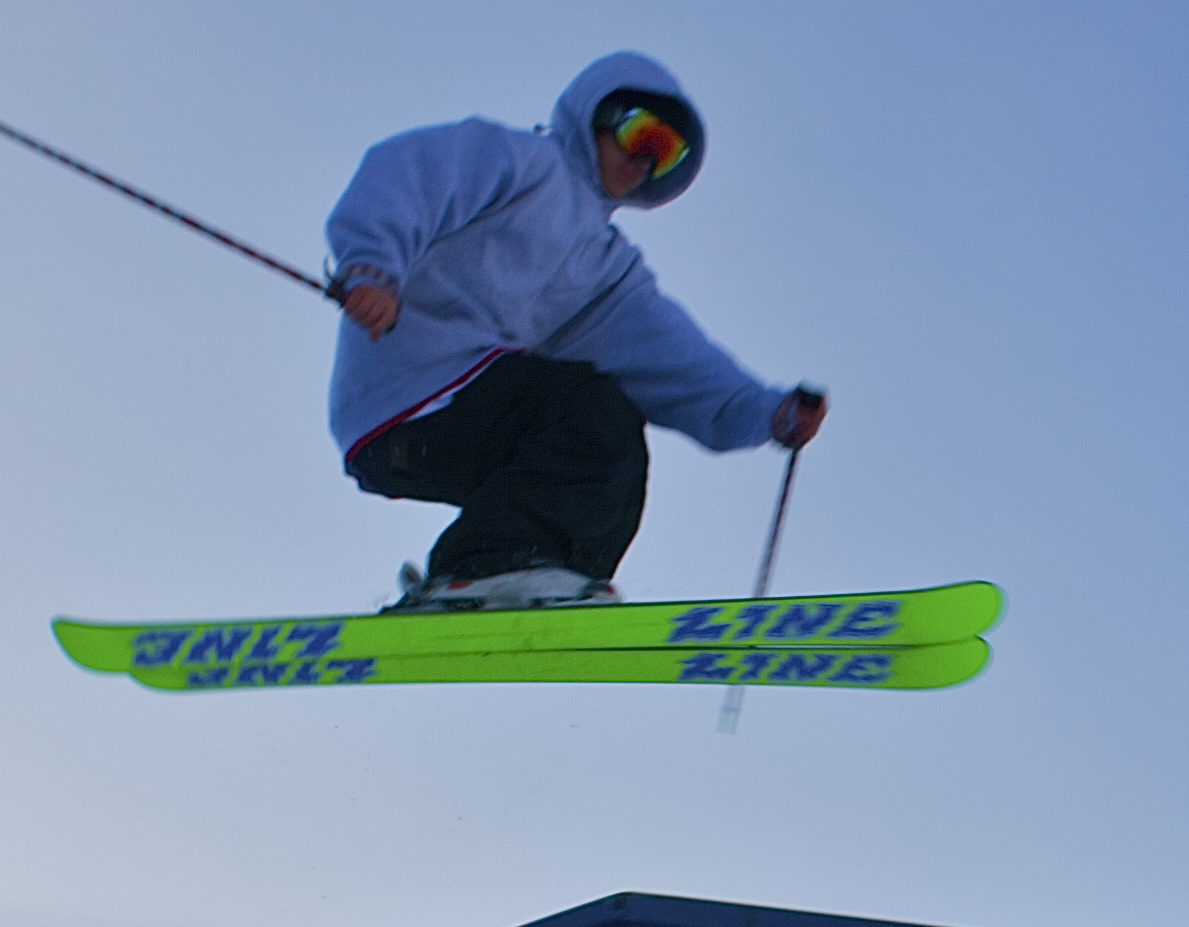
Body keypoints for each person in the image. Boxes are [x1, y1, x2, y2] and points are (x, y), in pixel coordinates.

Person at [324, 52, 824, 611]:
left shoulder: (608, 271)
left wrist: (766, 413)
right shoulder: (524, 163)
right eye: (643, 134)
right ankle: (487, 567)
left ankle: (548, 582)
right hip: (408, 393)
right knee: (588, 415)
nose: (644, 163)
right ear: (599, 112)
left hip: (458, 424)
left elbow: (673, 358)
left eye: (665, 155)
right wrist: (371, 266)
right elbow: (410, 175)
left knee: (617, 459)